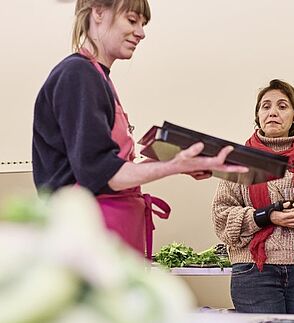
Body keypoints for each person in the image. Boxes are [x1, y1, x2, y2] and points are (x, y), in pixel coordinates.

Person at [32, 0, 247, 259]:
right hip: (86, 237)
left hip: (101, 234)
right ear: (98, 11)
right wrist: (176, 165)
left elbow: (101, 164)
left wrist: (180, 161)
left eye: (143, 24)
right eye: (132, 20)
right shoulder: (78, 74)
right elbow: (102, 174)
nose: (141, 33)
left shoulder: (98, 77)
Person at [212, 79, 294, 314]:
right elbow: (222, 218)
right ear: (258, 115)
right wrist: (266, 216)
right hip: (254, 272)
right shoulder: (240, 158)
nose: (272, 112)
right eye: (265, 106)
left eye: (282, 106)